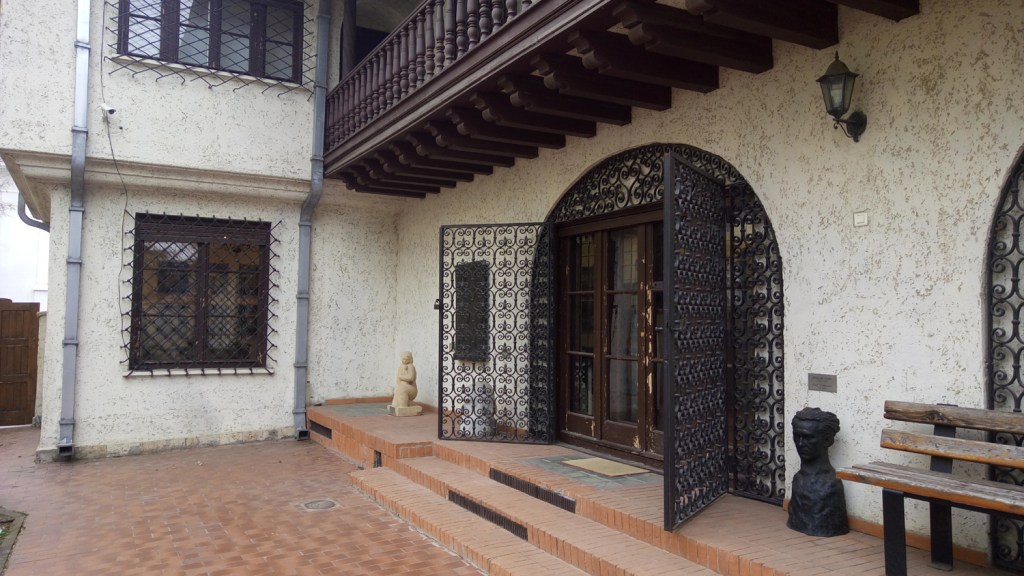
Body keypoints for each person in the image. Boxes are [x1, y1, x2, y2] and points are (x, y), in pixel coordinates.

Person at [787, 407, 849, 536]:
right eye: (797, 436)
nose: (800, 443)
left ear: (827, 440)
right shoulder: (797, 480)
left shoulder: (830, 486)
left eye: (809, 438)